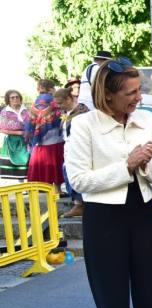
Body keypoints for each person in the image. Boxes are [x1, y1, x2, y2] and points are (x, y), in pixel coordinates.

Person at [64, 57, 152, 308]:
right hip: (103, 219)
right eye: (131, 92)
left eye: (139, 90)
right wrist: (127, 166)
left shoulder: (146, 120)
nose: (138, 97)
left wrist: (144, 164)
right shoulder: (83, 124)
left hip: (144, 213)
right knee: (112, 300)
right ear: (108, 95)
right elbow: (78, 180)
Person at [56, 88, 89, 217]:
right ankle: (77, 203)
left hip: (78, 146)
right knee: (68, 173)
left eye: (60, 103)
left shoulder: (82, 112)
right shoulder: (68, 112)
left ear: (69, 99)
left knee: (75, 173)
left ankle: (80, 204)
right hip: (69, 146)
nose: (59, 106)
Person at [26, 87, 64, 193]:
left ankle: (41, 190)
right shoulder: (55, 103)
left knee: (41, 166)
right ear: (52, 89)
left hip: (39, 142)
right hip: (56, 140)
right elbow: (59, 120)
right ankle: (57, 190)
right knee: (56, 165)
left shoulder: (34, 105)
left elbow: (30, 125)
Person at [0, 90, 29, 181]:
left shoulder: (26, 110)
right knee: (18, 163)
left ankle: (30, 184)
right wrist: (19, 133)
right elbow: (2, 129)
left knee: (28, 162)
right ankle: (21, 185)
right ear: (8, 100)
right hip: (13, 140)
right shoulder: (5, 112)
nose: (15, 99)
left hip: (28, 139)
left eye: (17, 97)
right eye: (12, 97)